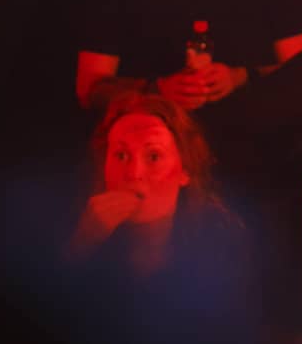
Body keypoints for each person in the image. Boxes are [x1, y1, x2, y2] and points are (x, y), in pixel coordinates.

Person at [74, 0, 302, 338]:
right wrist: (156, 88)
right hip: (155, 183)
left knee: (254, 312)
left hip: (254, 173)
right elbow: (88, 86)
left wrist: (240, 75)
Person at [60, 92, 255, 344]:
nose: (134, 173)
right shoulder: (70, 227)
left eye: (153, 156)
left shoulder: (221, 238)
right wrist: (81, 246)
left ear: (185, 170)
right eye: (121, 155)